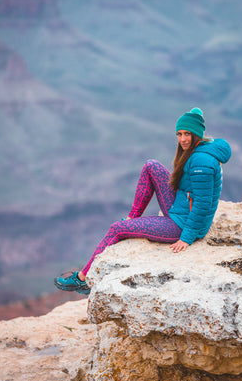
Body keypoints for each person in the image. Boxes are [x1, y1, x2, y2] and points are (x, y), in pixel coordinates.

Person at [54, 108, 231, 295]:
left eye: (188, 134)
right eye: (179, 134)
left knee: (116, 229)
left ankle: (83, 279)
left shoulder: (201, 161)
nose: (183, 139)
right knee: (151, 166)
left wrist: (186, 237)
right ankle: (133, 217)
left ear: (198, 134)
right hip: (179, 207)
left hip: (181, 224)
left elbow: (203, 204)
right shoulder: (200, 150)